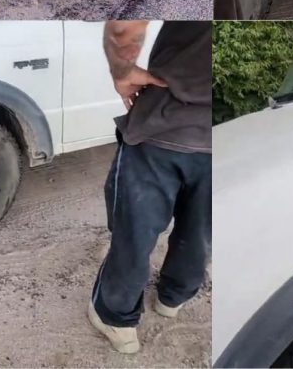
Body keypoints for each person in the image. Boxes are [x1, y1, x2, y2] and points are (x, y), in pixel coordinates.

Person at [88, 21, 212, 355]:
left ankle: (116, 318)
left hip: (164, 126)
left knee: (134, 232)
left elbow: (123, 29)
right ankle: (173, 298)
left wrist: (122, 71)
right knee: (200, 229)